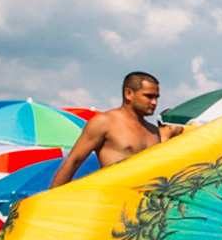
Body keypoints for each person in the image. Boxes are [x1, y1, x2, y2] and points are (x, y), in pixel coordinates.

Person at [49, 71, 181, 188]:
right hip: (113, 201)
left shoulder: (153, 131)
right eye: (148, 96)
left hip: (143, 207)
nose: (154, 103)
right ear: (128, 94)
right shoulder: (105, 122)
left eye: (156, 97)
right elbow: (74, 161)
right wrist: (49, 201)